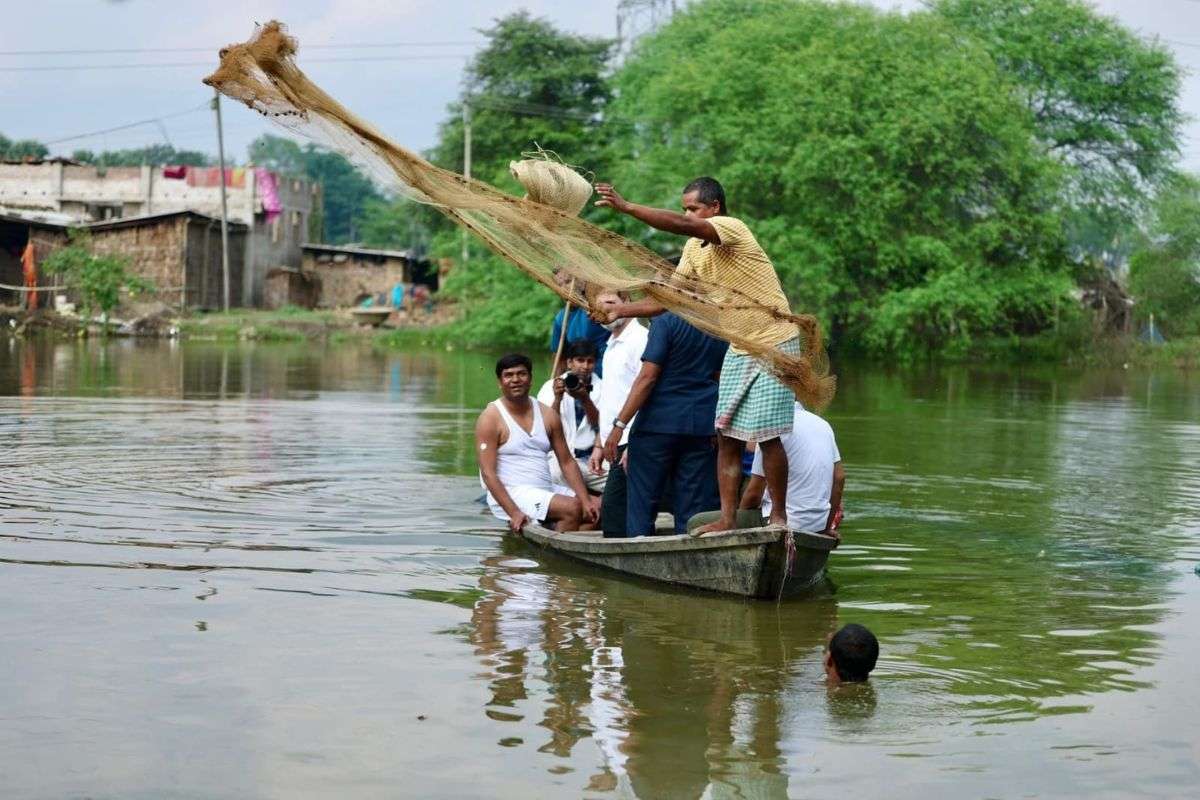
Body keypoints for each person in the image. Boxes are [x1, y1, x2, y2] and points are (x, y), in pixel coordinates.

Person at [595, 176, 800, 534]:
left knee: (767, 435)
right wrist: (619, 313)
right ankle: (727, 518)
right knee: (727, 436)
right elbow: (667, 300)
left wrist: (627, 208)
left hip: (773, 340)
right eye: (685, 208)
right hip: (739, 344)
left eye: (693, 208)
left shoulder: (731, 229)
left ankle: (779, 516)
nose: (687, 214)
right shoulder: (692, 251)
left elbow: (681, 225)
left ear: (714, 208)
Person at [602, 312, 727, 536]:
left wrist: (619, 425)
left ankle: (639, 558)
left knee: (642, 503)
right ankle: (687, 559)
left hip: (656, 425)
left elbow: (647, 377)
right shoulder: (716, 326)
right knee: (692, 509)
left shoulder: (665, 323)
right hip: (699, 425)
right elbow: (718, 378)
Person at [476, 353, 599, 533]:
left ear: (531, 379)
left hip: (543, 488)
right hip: (511, 492)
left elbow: (566, 461)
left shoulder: (547, 414)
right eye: (508, 375)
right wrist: (514, 512)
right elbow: (488, 474)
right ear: (500, 382)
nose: (516, 379)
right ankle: (555, 555)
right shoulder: (490, 418)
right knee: (572, 508)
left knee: (598, 509)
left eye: (521, 374)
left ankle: (553, 532)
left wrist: (587, 500)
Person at [587, 289, 650, 538]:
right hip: (613, 443)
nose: (607, 310)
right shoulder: (612, 343)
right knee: (620, 514)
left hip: (631, 441)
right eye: (600, 306)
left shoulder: (640, 340)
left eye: (612, 303)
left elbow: (648, 393)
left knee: (616, 513)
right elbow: (612, 398)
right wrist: (598, 444)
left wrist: (635, 442)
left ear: (628, 304)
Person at [738, 402, 844, 537]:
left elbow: (754, 494)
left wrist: (739, 520)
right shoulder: (823, 424)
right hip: (818, 524)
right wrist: (826, 528)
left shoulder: (770, 427)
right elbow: (839, 478)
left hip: (783, 521)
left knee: (702, 520)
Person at [535, 339, 606, 494]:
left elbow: (602, 427)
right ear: (569, 363)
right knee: (557, 472)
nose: (585, 367)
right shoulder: (550, 386)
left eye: (590, 361)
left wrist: (585, 399)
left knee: (617, 480)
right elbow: (545, 427)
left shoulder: (604, 388)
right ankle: (577, 503)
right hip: (560, 457)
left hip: (594, 458)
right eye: (580, 360)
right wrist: (558, 398)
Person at [550, 272, 611, 377]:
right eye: (559, 285)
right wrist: (556, 384)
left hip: (608, 372)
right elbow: (559, 357)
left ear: (581, 282)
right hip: (581, 379)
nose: (564, 288)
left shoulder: (598, 306)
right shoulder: (561, 318)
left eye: (568, 282)